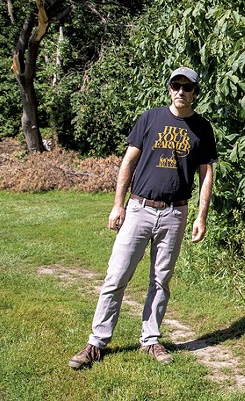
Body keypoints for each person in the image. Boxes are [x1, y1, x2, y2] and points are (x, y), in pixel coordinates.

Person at [68, 67, 217, 369]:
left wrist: (201, 216)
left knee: (160, 280)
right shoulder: (150, 118)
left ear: (195, 93)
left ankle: (150, 341)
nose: (181, 92)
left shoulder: (202, 128)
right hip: (139, 209)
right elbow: (129, 161)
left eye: (187, 87)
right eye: (176, 85)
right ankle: (96, 343)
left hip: (175, 212)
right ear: (169, 89)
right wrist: (117, 205)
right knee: (116, 276)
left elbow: (207, 174)